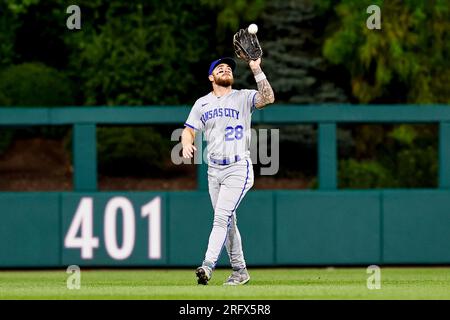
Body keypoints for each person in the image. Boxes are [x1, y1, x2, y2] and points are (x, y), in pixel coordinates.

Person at [181, 56, 275, 285]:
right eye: (219, 68)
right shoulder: (202, 103)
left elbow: (268, 97)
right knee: (228, 221)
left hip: (237, 167)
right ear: (211, 77)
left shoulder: (243, 97)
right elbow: (188, 129)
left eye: (228, 68)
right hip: (214, 170)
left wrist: (256, 68)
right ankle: (240, 271)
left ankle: (207, 266)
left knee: (221, 218)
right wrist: (185, 142)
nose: (225, 69)